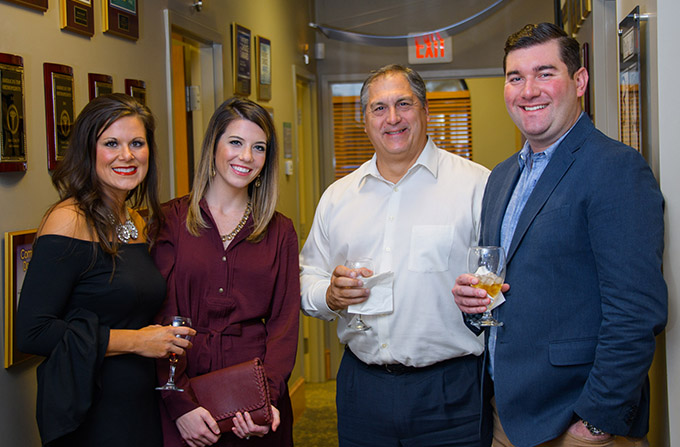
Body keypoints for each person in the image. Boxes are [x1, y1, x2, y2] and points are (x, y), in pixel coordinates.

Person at [452, 23, 667, 447]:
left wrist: (596, 423)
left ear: (579, 81)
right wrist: (474, 304)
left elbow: (636, 312)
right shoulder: (501, 177)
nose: (528, 90)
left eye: (545, 73)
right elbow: (500, 286)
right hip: (506, 417)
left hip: (576, 425)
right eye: (516, 77)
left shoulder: (615, 168)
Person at [300, 64, 492, 446]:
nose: (392, 118)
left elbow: (502, 273)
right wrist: (330, 295)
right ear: (365, 120)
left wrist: (485, 294)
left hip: (451, 391)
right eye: (379, 108)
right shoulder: (338, 198)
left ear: (424, 110)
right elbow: (308, 278)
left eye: (403, 104)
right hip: (362, 389)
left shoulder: (476, 185)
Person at [16, 94, 195, 447]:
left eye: (137, 143)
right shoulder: (68, 221)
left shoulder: (138, 221)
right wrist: (139, 341)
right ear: (88, 150)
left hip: (141, 402)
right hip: (89, 406)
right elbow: (33, 332)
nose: (126, 155)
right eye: (111, 143)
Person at [152, 97, 300, 447]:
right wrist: (179, 405)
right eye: (235, 142)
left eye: (258, 148)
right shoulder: (170, 220)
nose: (246, 157)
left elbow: (284, 324)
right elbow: (160, 318)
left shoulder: (280, 231)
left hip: (254, 389)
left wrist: (268, 399)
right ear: (213, 147)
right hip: (183, 390)